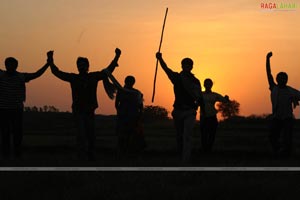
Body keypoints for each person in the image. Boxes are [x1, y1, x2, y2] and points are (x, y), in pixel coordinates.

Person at [48, 48, 121, 160]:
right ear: (77, 66)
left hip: (89, 110)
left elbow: (108, 70)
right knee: (81, 134)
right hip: (78, 110)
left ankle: (90, 155)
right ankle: (82, 156)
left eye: (83, 64)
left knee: (90, 135)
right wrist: (50, 60)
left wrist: (117, 56)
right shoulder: (74, 78)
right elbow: (57, 72)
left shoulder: (93, 77)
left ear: (88, 66)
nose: (81, 66)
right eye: (79, 64)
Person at [156, 52, 204, 163]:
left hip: (190, 111)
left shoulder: (195, 81)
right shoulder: (176, 77)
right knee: (179, 136)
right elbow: (166, 69)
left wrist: (199, 109)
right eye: (185, 64)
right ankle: (180, 156)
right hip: (178, 111)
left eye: (189, 65)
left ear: (192, 67)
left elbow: (199, 97)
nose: (187, 66)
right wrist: (160, 59)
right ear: (182, 66)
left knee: (187, 136)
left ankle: (185, 160)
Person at [0, 53, 50, 159]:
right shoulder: (1, 75)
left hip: (16, 110)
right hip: (3, 110)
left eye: (11, 65)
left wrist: (47, 63)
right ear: (5, 65)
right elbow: (36, 74)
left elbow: (37, 74)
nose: (9, 67)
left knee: (17, 133)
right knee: (5, 133)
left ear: (16, 66)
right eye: (8, 64)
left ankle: (17, 154)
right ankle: (6, 154)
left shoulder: (21, 76)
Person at [266, 51, 300, 157]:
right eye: (279, 79)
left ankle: (286, 154)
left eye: (283, 79)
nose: (281, 80)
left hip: (287, 118)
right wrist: (267, 59)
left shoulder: (291, 91)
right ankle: (280, 151)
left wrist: (295, 99)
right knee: (272, 137)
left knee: (287, 138)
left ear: (286, 80)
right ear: (277, 80)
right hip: (276, 117)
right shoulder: (274, 88)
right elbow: (268, 73)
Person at [115, 75, 145, 156]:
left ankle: (129, 153)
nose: (130, 83)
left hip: (132, 117)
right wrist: (120, 113)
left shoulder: (136, 93)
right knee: (123, 136)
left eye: (131, 82)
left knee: (132, 136)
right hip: (125, 117)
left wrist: (139, 116)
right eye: (129, 81)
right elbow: (117, 104)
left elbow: (141, 106)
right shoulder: (122, 91)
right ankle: (123, 153)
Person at [200, 78, 229, 152]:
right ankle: (205, 150)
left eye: (209, 84)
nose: (208, 85)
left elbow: (225, 100)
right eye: (206, 83)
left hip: (212, 117)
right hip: (203, 117)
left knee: (211, 134)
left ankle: (208, 149)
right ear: (204, 85)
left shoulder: (215, 95)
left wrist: (226, 98)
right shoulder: (200, 94)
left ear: (211, 85)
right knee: (204, 134)